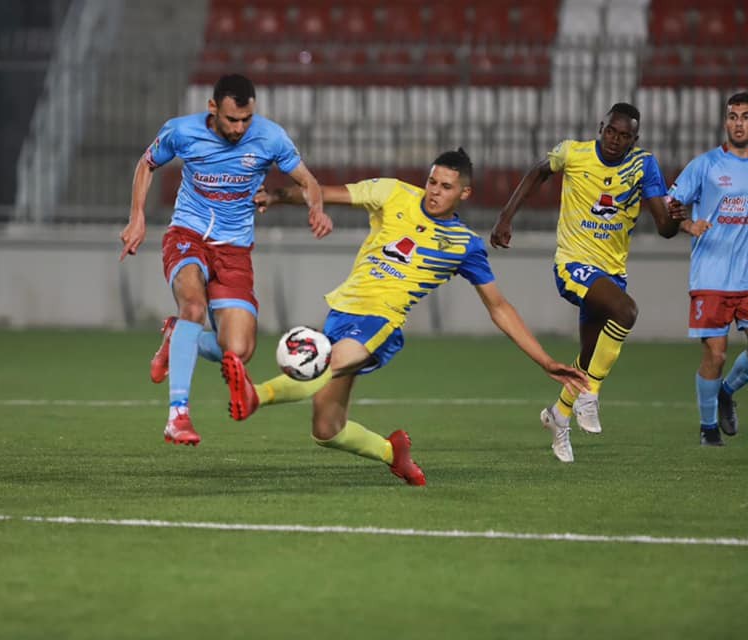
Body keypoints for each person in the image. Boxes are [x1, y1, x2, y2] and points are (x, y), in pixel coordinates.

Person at [219, 149, 589, 486]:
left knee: (324, 365)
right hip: (342, 312)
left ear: (464, 193)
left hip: (381, 322)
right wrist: (277, 196)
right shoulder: (393, 193)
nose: (434, 191)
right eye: (432, 181)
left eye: (446, 186)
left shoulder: (464, 245)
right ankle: (392, 452)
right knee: (327, 430)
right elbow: (325, 193)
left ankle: (255, 395)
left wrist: (544, 360)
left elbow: (499, 307)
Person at [119, 74, 333, 446]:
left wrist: (316, 208)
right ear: (213, 108)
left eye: (246, 119)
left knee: (238, 351)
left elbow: (308, 181)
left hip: (234, 250)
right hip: (187, 235)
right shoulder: (182, 131)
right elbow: (146, 164)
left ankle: (176, 336)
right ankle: (177, 416)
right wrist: (137, 216)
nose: (239, 128)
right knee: (193, 307)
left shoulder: (270, 137)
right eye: (232, 119)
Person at [490, 103, 682, 462]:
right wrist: (505, 216)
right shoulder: (573, 153)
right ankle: (590, 395)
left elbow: (664, 228)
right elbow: (538, 172)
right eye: (611, 131)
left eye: (624, 136)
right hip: (573, 264)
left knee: (590, 356)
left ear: (634, 139)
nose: (615, 139)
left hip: (612, 273)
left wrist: (676, 218)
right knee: (626, 312)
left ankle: (559, 415)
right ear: (600, 127)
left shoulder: (643, 165)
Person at [667, 91, 748, 447]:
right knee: (716, 353)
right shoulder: (705, 165)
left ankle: (726, 391)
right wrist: (689, 224)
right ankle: (708, 428)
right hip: (711, 276)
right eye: (733, 117)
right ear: (725, 121)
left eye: (745, 117)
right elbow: (668, 205)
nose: (738, 124)